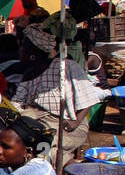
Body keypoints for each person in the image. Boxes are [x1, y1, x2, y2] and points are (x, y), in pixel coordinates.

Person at [12, 19, 107, 165]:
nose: (20, 50)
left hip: (65, 125)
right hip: (37, 124)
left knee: (43, 149)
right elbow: (18, 104)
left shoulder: (67, 67)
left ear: (34, 52)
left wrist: (75, 122)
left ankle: (73, 169)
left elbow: (89, 99)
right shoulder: (29, 73)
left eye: (24, 47)